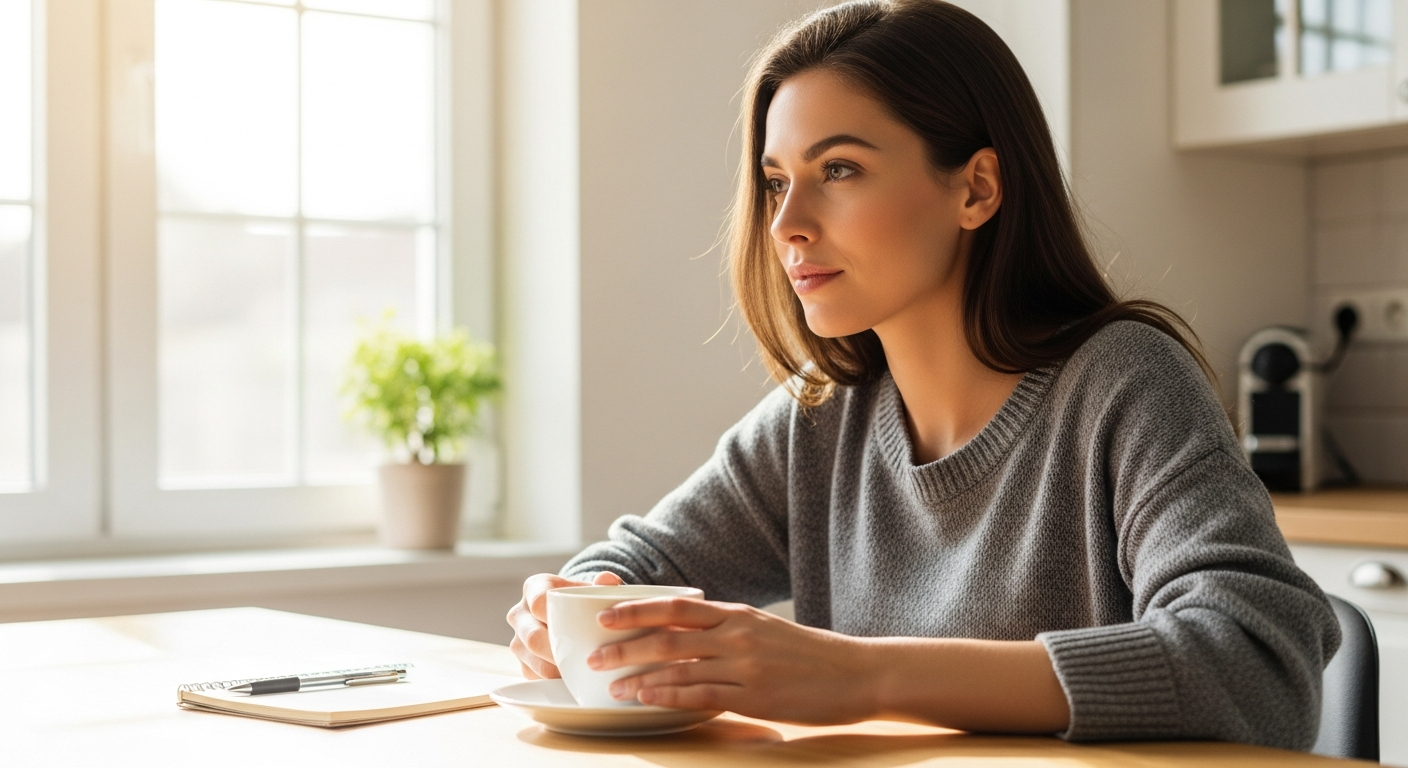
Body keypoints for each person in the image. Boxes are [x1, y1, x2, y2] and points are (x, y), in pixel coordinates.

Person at [506, 0, 1340, 748]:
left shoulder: (1123, 382)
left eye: (839, 170)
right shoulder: (822, 419)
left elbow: (1259, 664)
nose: (787, 224)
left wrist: (862, 676)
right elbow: (632, 563)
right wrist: (574, 608)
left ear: (977, 187)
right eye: (774, 183)